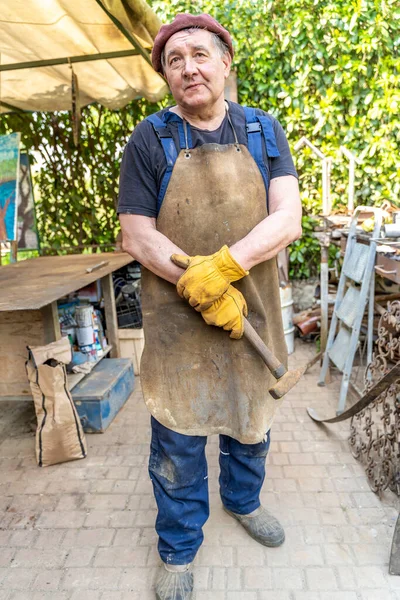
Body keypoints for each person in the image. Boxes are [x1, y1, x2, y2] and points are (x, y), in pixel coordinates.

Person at [118, 13, 302, 600]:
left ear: (225, 63)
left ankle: (243, 502)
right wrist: (194, 280)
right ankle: (178, 549)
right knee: (178, 436)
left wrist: (225, 269)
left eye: (199, 54)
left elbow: (288, 218)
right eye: (175, 61)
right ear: (167, 77)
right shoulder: (151, 139)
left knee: (251, 425)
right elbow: (136, 234)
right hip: (179, 322)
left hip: (251, 313)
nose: (188, 68)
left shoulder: (264, 133)